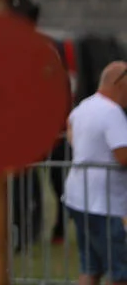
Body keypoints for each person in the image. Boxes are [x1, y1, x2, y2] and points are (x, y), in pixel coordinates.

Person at [63, 61, 127, 285]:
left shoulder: (84, 106)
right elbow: (123, 156)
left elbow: (69, 127)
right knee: (120, 272)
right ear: (120, 84)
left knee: (90, 267)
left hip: (79, 198)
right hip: (105, 205)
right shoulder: (112, 113)